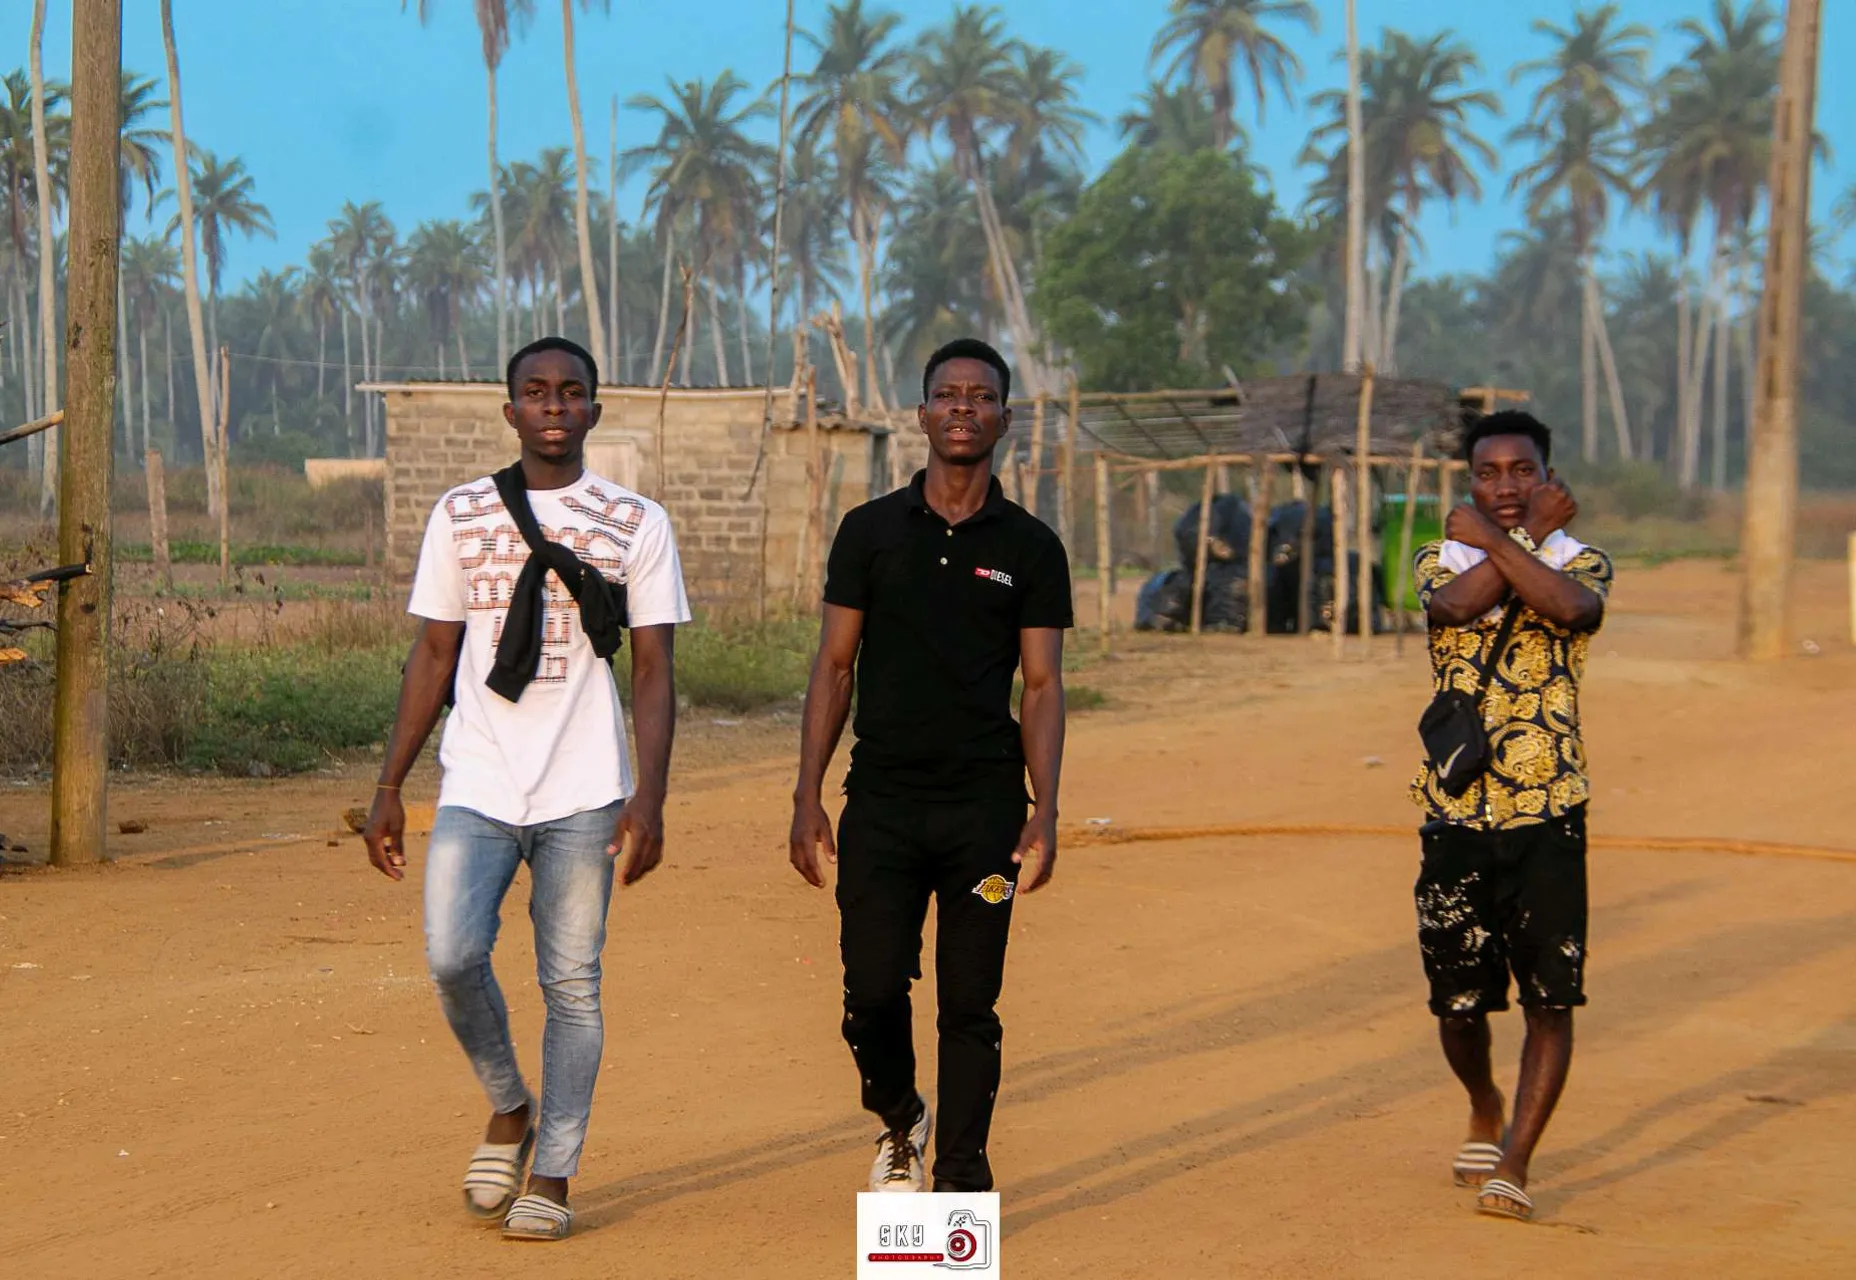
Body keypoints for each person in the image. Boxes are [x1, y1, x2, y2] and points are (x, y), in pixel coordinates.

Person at [363, 336, 690, 1242]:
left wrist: (650, 797)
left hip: (587, 789)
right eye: (535, 392)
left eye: (571, 392)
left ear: (595, 409)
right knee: (451, 955)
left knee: (572, 986)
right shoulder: (460, 513)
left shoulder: (638, 522)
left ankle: (553, 1171)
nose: (553, 405)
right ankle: (510, 1106)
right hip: (478, 778)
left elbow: (657, 667)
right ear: (509, 412)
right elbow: (435, 650)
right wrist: (390, 783)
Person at [788, 338, 1072, 1194]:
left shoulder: (1029, 547)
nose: (961, 407)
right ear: (920, 415)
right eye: (945, 394)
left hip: (983, 810)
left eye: (979, 396)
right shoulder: (869, 533)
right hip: (880, 801)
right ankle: (899, 1114)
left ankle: (960, 1174)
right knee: (870, 993)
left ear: (1003, 419)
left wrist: (1045, 808)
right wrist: (806, 795)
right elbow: (835, 666)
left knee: (969, 1003)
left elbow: (1044, 683)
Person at [1410, 410, 1613, 1223]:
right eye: (1489, 473)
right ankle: (1483, 1103)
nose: (1505, 487)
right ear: (1469, 482)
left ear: (1548, 478)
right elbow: (1455, 611)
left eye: (1521, 472)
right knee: (1457, 1006)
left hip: (1549, 808)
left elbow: (1571, 611)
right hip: (1454, 810)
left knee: (1550, 997)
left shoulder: (1582, 561)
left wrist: (1511, 541)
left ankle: (1517, 1162)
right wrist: (1517, 542)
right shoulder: (1439, 559)